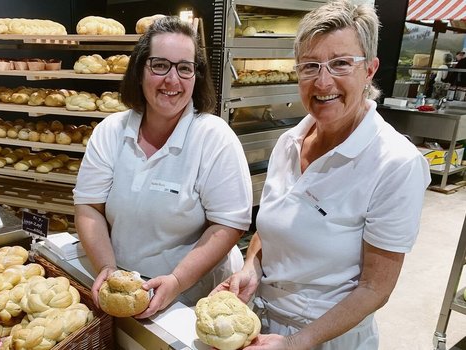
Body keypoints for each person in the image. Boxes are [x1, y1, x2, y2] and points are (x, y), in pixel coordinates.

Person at [212, 0, 431, 349]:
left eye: (341, 63)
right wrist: (251, 268)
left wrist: (296, 342)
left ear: (370, 69)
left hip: (328, 338)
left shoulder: (395, 163)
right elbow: (271, 228)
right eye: (310, 65)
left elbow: (375, 289)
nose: (323, 81)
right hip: (262, 323)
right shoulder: (289, 142)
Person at [73, 16, 253, 319]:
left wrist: (178, 281)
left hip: (192, 298)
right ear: (140, 70)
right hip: (123, 285)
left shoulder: (214, 137)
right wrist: (106, 267)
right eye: (160, 65)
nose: (173, 80)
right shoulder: (111, 131)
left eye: (185, 68)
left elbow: (228, 225)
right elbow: (88, 206)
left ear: (196, 76)